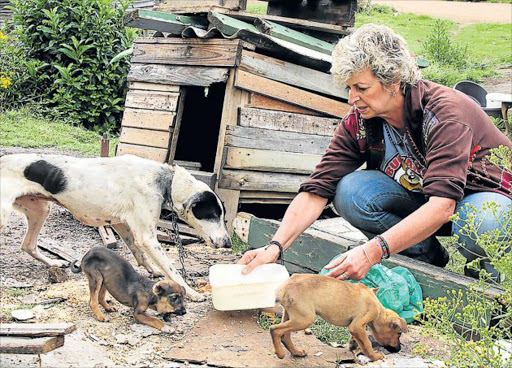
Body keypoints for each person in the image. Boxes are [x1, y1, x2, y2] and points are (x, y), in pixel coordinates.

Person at [238, 24, 511, 281]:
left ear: (393, 81)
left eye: (361, 88)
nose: (351, 98)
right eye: (349, 88)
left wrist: (371, 251)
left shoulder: (445, 114)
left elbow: (443, 206)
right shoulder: (361, 121)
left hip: (480, 199)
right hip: (425, 199)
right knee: (350, 191)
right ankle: (425, 262)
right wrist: (275, 246)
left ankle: (486, 292)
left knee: (485, 219)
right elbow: (318, 189)